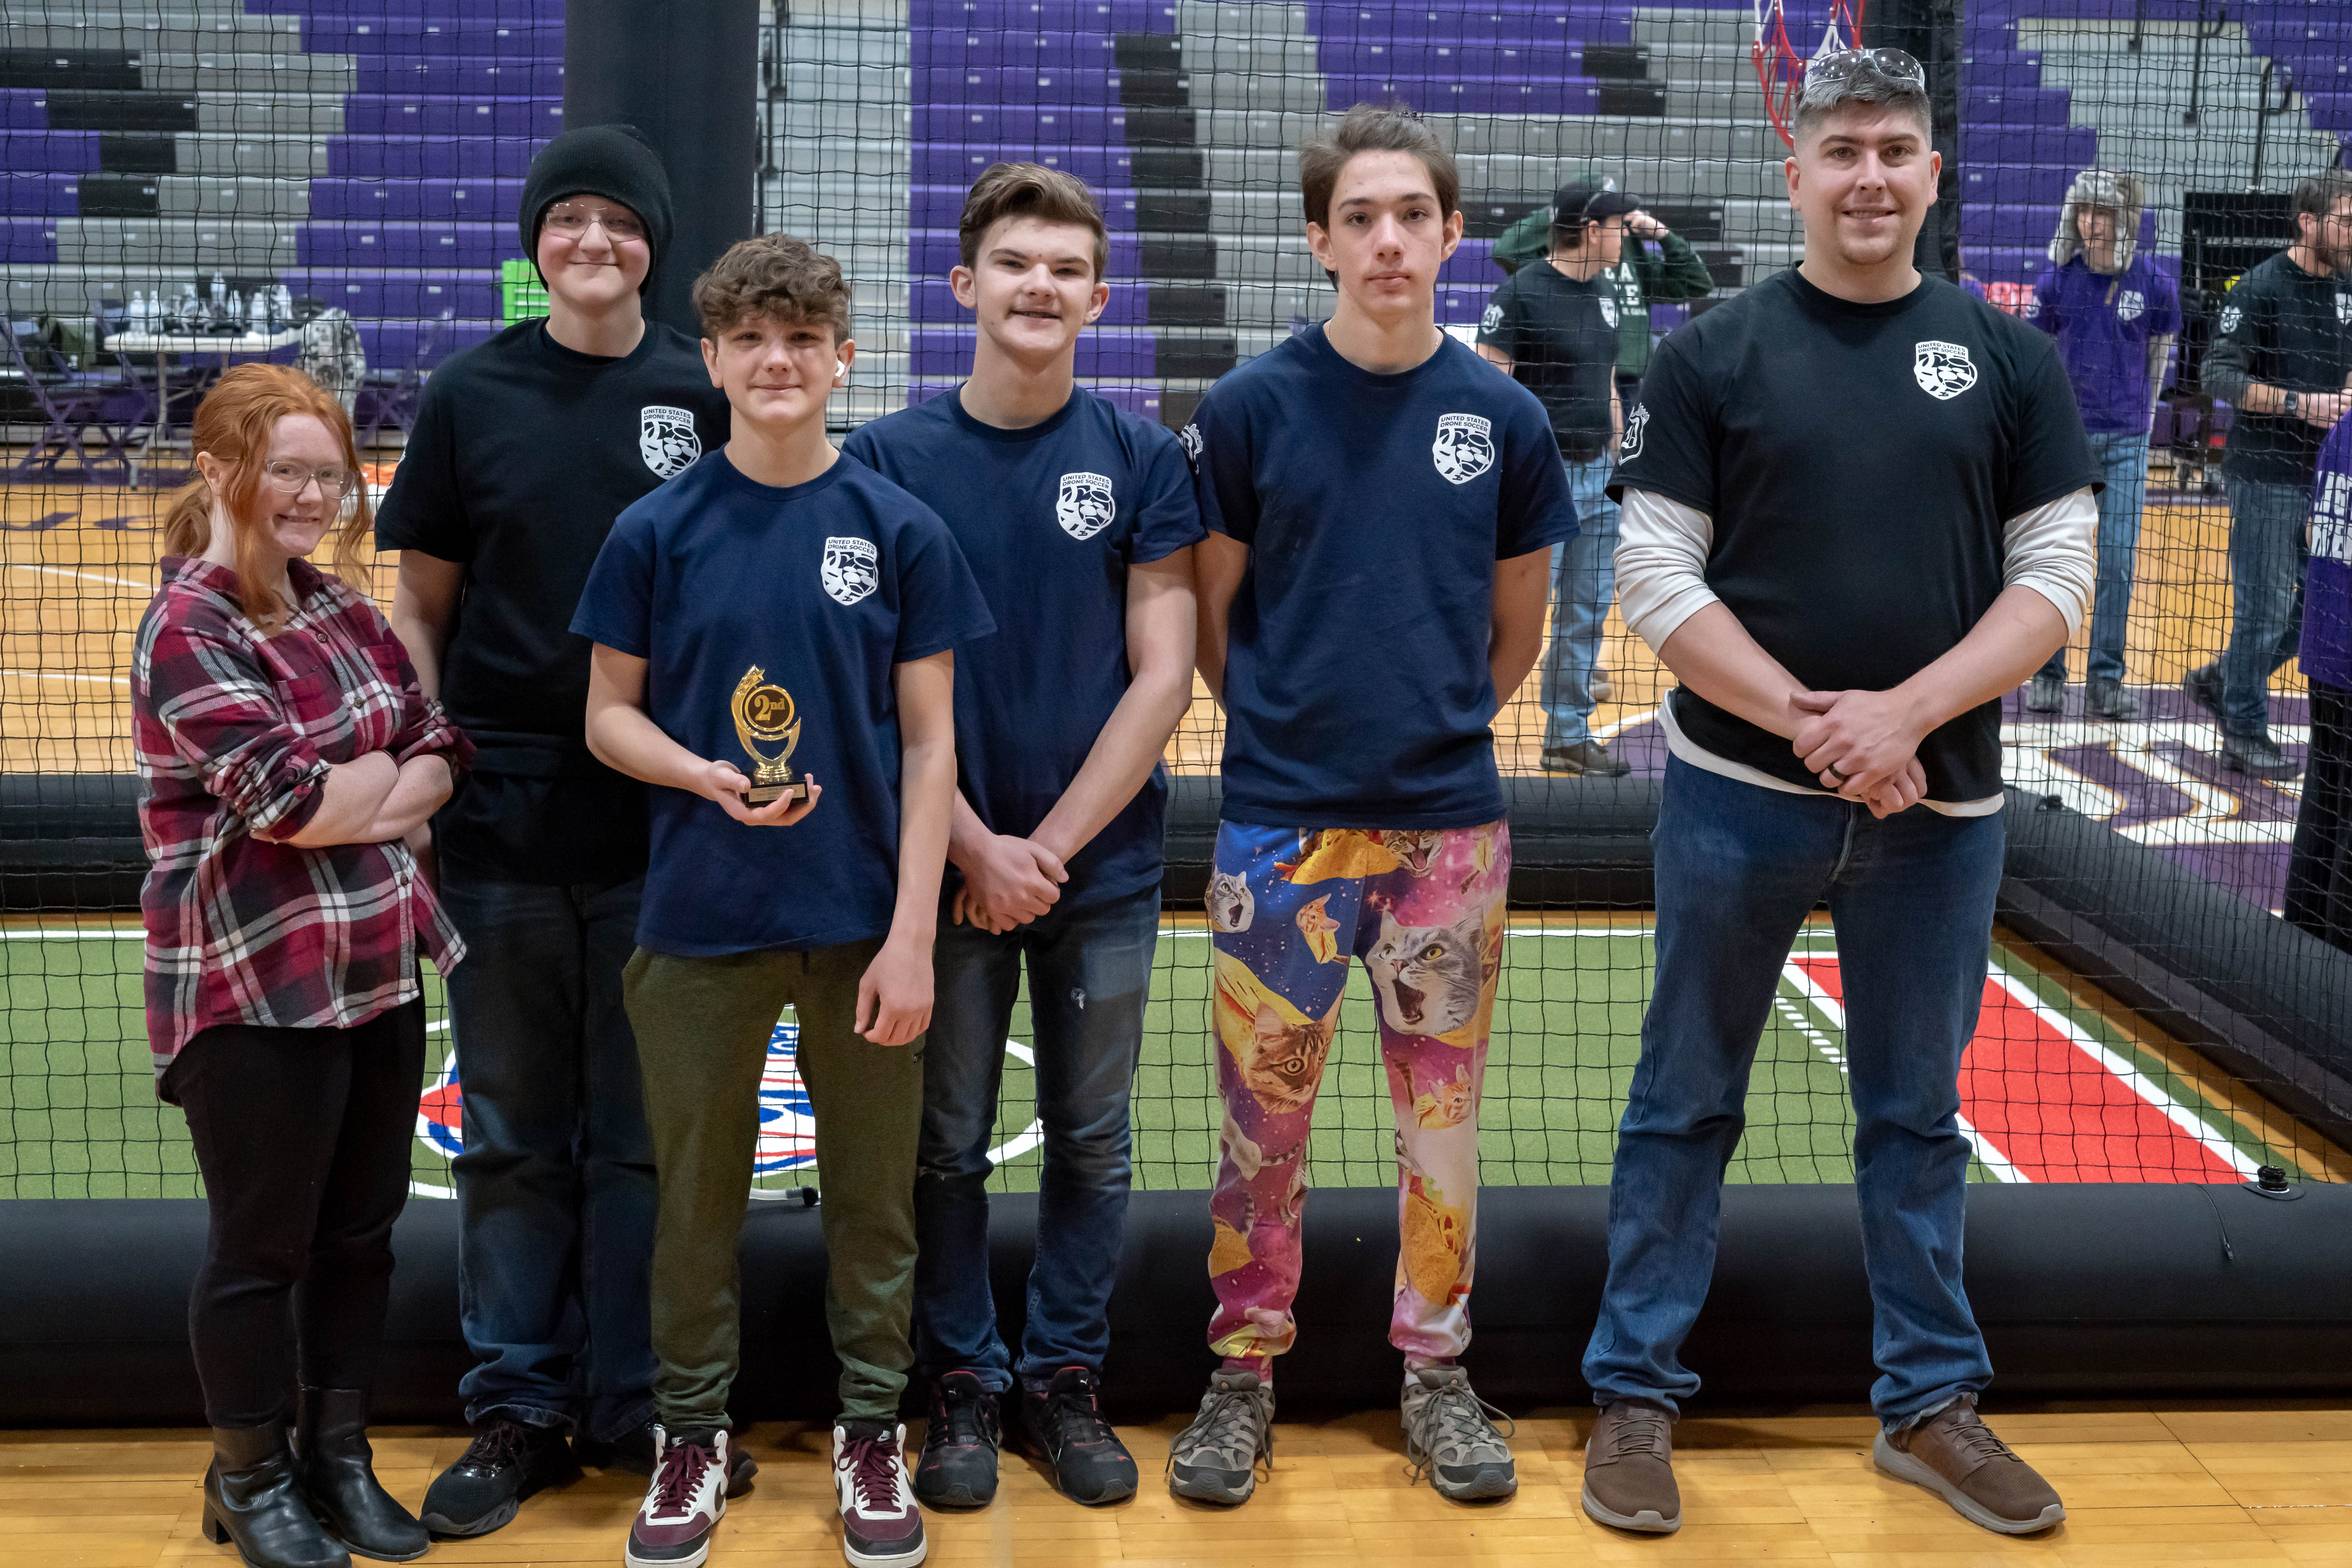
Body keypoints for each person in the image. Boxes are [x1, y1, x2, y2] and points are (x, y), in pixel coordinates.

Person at [1589, 49, 2096, 1538]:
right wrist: (1817, 727)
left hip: (1938, 810)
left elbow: (2058, 580)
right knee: (1682, 1097)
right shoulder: (1712, 352)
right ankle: (1632, 1393)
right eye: (1841, 150)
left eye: (1894, 149)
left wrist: (1906, 719)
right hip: (1737, 787)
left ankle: (1928, 1402)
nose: (1867, 175)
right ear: (1793, 171)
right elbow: (1648, 574)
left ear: (1932, 174)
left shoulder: (2007, 360)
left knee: (1914, 1112)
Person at [1167, 102, 1577, 1509]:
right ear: (1317, 240)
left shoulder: (1502, 417)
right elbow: (1213, 621)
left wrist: (1431, 729)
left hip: (1445, 833)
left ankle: (1436, 1369)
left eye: (1412, 214)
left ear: (1453, 236)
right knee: (1256, 1128)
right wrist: (1284, 733)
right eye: (1359, 216)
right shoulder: (1247, 410)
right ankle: (1240, 1373)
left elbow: (1515, 632)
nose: (1388, 238)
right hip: (1279, 829)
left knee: (1441, 1130)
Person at [574, 232, 993, 1568]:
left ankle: (873, 1429)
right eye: (751, 338)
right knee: (692, 1200)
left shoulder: (897, 528)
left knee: (877, 1201)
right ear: (711, 357)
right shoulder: (657, 529)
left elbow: (931, 746)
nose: (776, 360)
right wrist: (701, 773)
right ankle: (688, 1436)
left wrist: (915, 934)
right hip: (699, 923)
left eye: (802, 338)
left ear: (840, 356)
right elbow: (604, 719)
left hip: (864, 924)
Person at [376, 124, 734, 1537]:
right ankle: (517, 1404)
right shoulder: (471, 395)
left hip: (664, 825)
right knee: (515, 1131)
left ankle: (645, 1406)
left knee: (649, 1133)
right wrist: (422, 761)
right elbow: (418, 604)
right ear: (534, 244)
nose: (593, 243)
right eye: (567, 221)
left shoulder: (699, 391)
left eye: (620, 223)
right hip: (506, 823)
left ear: (657, 241)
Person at [841, 163, 1202, 1509]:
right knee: (939, 1144)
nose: (1037, 287)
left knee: (1091, 1140)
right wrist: (976, 848)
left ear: (1096, 297)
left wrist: (1040, 844)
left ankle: (1062, 1376)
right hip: (941, 869)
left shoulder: (1140, 455)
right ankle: (959, 1382)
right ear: (964, 285)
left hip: (1098, 870)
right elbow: (870, 691)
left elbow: (1163, 673)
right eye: (1013, 264)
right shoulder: (884, 461)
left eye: (1062, 270)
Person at [135, 363, 470, 1568]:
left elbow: (438, 750)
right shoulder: (188, 626)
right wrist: (380, 789)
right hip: (250, 987)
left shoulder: (338, 605)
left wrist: (367, 791)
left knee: (359, 1239)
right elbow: (285, 802)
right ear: (223, 468)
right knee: (258, 1248)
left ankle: (339, 1455)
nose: (313, 495)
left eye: (330, 473)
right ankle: (251, 1477)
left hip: (377, 972)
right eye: (288, 468)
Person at [2189, 168, 2352, 779]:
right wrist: (2298, 404)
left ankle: (2224, 678)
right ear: (2307, 222)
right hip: (2264, 472)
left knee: (2319, 609)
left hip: (2327, 479)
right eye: (2345, 219)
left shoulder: (2348, 286)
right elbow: (2219, 378)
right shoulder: (2258, 287)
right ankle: (2243, 732)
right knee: (2260, 610)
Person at [1477, 180, 1636, 776]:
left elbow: (1609, 378)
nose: (1624, 235)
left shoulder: (1605, 294)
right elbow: (1490, 384)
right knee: (1501, 614)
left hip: (1598, 475)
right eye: (1617, 225)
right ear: (1591, 230)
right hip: (1537, 481)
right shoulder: (1520, 293)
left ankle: (1567, 738)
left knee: (1587, 611)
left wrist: (1619, 455)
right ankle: (1461, 729)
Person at [2021, 168, 2180, 720]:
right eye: (2085, 213)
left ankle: (2106, 680)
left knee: (2115, 564)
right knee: (2053, 558)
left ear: (2124, 221)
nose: (2094, 224)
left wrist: (2142, 410)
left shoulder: (2155, 284)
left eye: (2105, 213)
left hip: (2127, 442)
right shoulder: (2054, 282)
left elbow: (2161, 355)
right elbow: (2034, 357)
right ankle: (2046, 673)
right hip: (2062, 441)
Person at [2286, 413, 2352, 948]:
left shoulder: (2344, 427)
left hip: (2325, 642)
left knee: (2324, 793)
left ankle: (2301, 946)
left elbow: (2313, 530)